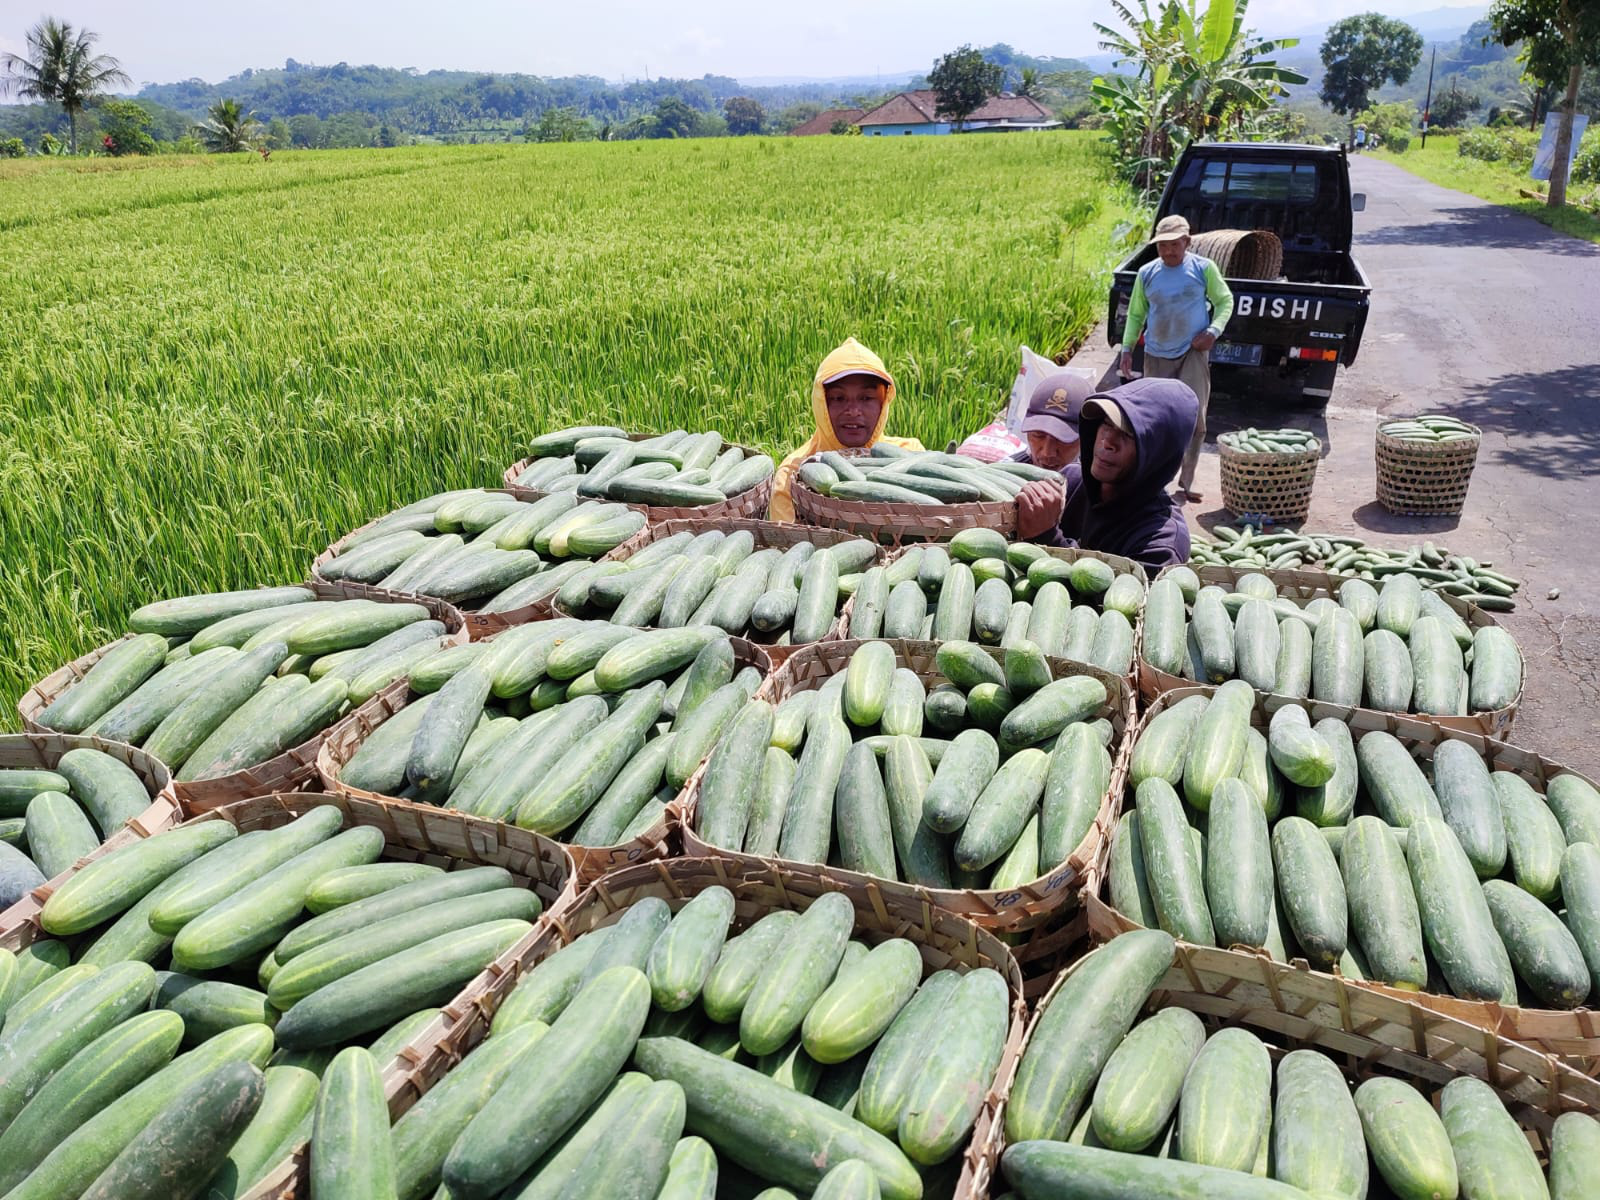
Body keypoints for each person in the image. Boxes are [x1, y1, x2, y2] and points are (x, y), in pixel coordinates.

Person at [1014, 377, 1199, 574]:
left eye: (1128, 434)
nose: (1107, 441)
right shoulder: (1070, 482)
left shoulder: (1161, 544)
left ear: (1159, 453)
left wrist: (1047, 537)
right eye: (1106, 424)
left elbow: (1116, 601)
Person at [1117, 214, 1234, 503]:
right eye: (1162, 246)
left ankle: (1187, 482)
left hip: (1192, 351)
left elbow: (1224, 301)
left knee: (1194, 419)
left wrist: (1213, 331)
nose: (1169, 251)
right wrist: (1127, 349)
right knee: (1156, 420)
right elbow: (1136, 315)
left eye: (1174, 244)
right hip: (1157, 353)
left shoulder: (1203, 268)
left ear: (1187, 242)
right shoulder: (1147, 273)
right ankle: (1153, 481)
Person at [769, 336, 924, 522]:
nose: (853, 411)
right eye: (839, 398)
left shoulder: (910, 454)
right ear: (821, 402)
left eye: (866, 398)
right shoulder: (792, 474)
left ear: (883, 402)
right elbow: (787, 544)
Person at [1011, 370, 1094, 475]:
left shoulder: (1099, 486)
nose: (1047, 453)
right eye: (1038, 435)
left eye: (1063, 439)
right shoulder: (1003, 477)